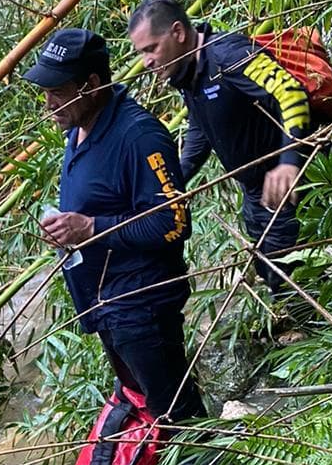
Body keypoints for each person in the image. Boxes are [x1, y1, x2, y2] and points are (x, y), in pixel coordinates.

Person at [23, 26, 206, 424]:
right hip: (108, 305)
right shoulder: (78, 129)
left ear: (90, 84)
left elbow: (173, 222)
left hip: (142, 304)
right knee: (152, 409)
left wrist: (91, 227)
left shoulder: (138, 136)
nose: (48, 102)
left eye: (57, 91)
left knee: (176, 414)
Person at [126, 0, 319, 299]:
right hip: (257, 191)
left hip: (292, 183)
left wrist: (289, 160)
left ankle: (309, 329)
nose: (147, 61)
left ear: (178, 32)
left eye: (151, 49)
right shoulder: (189, 72)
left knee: (294, 275)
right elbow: (201, 129)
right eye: (141, 53)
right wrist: (171, 186)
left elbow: (291, 94)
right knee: (270, 269)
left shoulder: (229, 56)